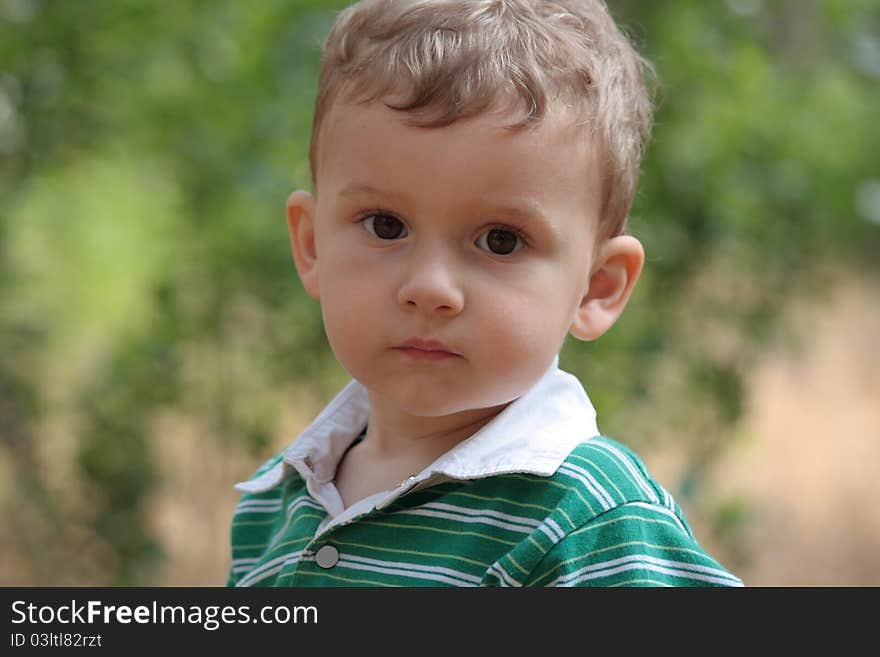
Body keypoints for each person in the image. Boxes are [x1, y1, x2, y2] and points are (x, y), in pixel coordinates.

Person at [227, 0, 743, 587]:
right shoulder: (272, 505)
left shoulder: (590, 523)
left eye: (500, 240)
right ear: (312, 245)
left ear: (597, 287)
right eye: (385, 225)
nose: (429, 288)